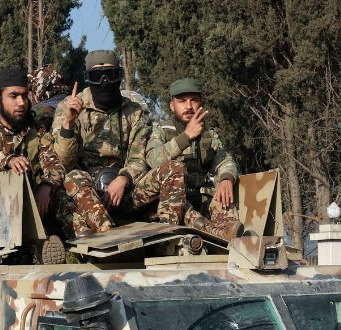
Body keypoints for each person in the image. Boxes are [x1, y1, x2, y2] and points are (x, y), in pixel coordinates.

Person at [52, 50, 186, 237]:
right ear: (89, 79)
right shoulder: (70, 107)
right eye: (97, 76)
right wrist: (68, 123)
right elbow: (62, 163)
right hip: (86, 193)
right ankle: (110, 237)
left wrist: (123, 180)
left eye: (111, 75)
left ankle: (166, 239)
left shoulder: (134, 111)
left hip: (125, 191)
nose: (104, 81)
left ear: (120, 76)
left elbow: (138, 159)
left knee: (173, 168)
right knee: (73, 178)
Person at [0, 67, 69, 262]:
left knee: (68, 190)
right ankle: (34, 247)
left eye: (24, 96)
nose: (21, 103)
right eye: (13, 96)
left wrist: (46, 187)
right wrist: (8, 160)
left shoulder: (37, 132)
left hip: (33, 206)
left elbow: (54, 165)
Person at [147, 78, 242, 240]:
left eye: (194, 100)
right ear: (172, 106)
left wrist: (226, 178)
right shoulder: (161, 131)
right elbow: (152, 159)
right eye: (182, 101)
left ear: (201, 103)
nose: (189, 106)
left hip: (201, 196)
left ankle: (230, 234)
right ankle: (214, 231)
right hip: (171, 200)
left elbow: (225, 160)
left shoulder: (208, 135)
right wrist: (186, 136)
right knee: (182, 206)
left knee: (224, 194)